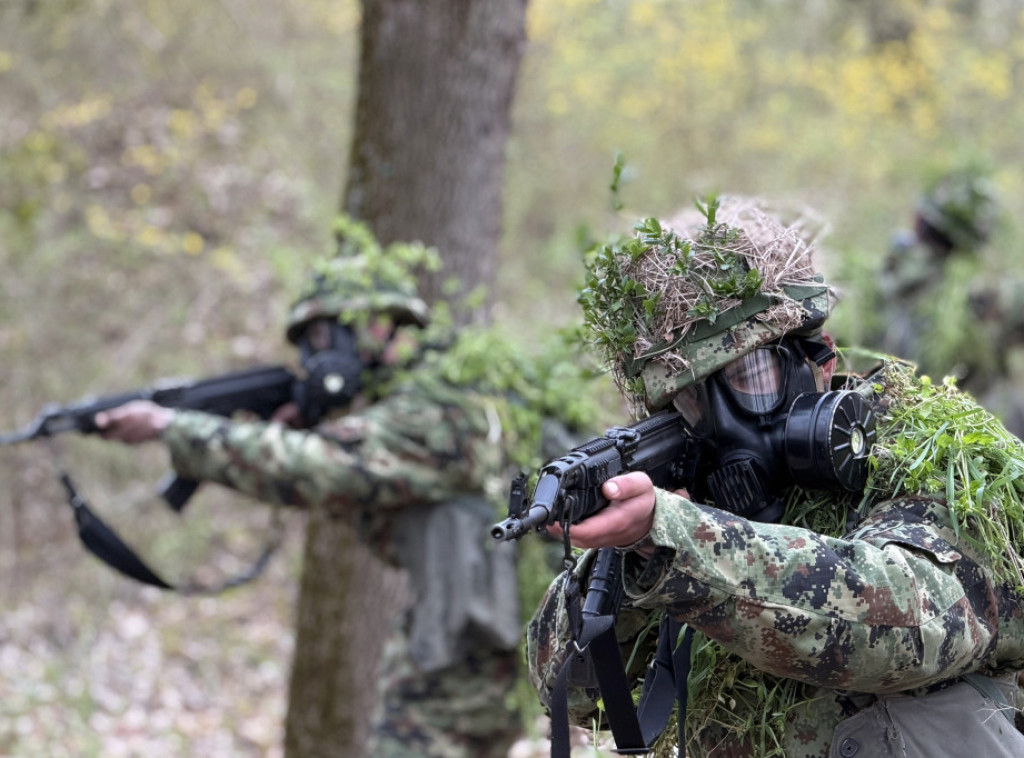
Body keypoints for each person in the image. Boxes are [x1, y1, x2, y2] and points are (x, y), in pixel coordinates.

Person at [526, 196, 1024, 757]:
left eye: (748, 374)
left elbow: (908, 626)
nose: (725, 420)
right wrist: (634, 554)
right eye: (692, 399)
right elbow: (563, 689)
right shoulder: (692, 510)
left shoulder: (930, 453)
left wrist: (680, 538)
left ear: (822, 358)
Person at [95, 226, 597, 758]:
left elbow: (324, 466)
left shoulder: (438, 408)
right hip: (500, 636)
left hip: (475, 654)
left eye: (320, 338)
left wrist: (172, 429)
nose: (315, 359)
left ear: (377, 324)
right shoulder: (457, 386)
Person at [867, 167, 1024, 437]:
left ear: (920, 220)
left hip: (896, 440)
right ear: (973, 241)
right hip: (985, 441)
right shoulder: (990, 292)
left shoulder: (880, 278)